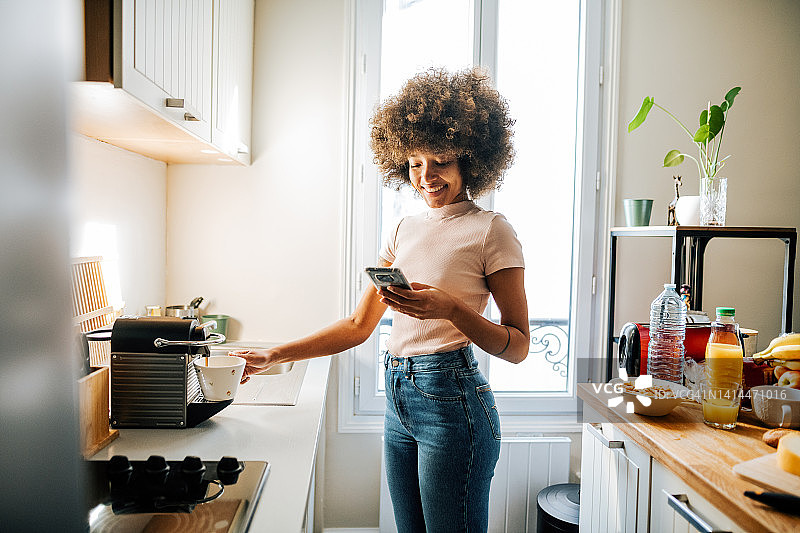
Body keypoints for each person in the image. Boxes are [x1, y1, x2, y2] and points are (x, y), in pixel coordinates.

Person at [231, 67, 529, 533]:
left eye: (440, 161)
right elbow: (357, 326)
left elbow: (518, 346)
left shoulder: (492, 230)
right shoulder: (404, 229)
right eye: (413, 163)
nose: (426, 176)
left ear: (470, 159)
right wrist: (275, 354)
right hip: (400, 400)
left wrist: (452, 309)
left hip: (452, 405)